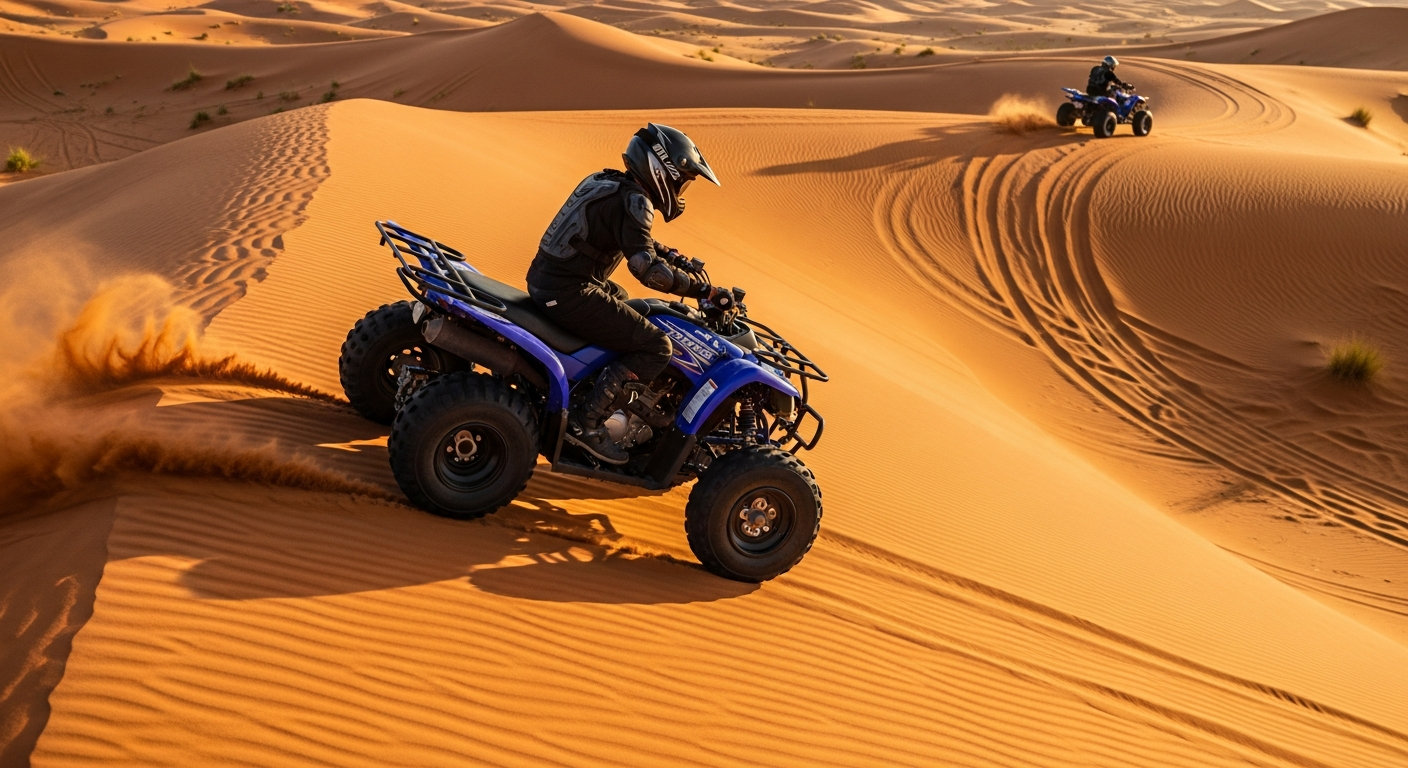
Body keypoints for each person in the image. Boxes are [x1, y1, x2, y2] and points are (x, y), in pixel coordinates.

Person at [526, 123, 734, 465]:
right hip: (568, 291)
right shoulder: (636, 200)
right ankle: (586, 422)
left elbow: (629, 234)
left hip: (551, 280)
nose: (681, 190)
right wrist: (702, 289)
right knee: (657, 346)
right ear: (662, 170)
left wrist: (669, 254)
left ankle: (592, 387)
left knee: (628, 303)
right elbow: (648, 271)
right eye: (682, 181)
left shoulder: (608, 182)